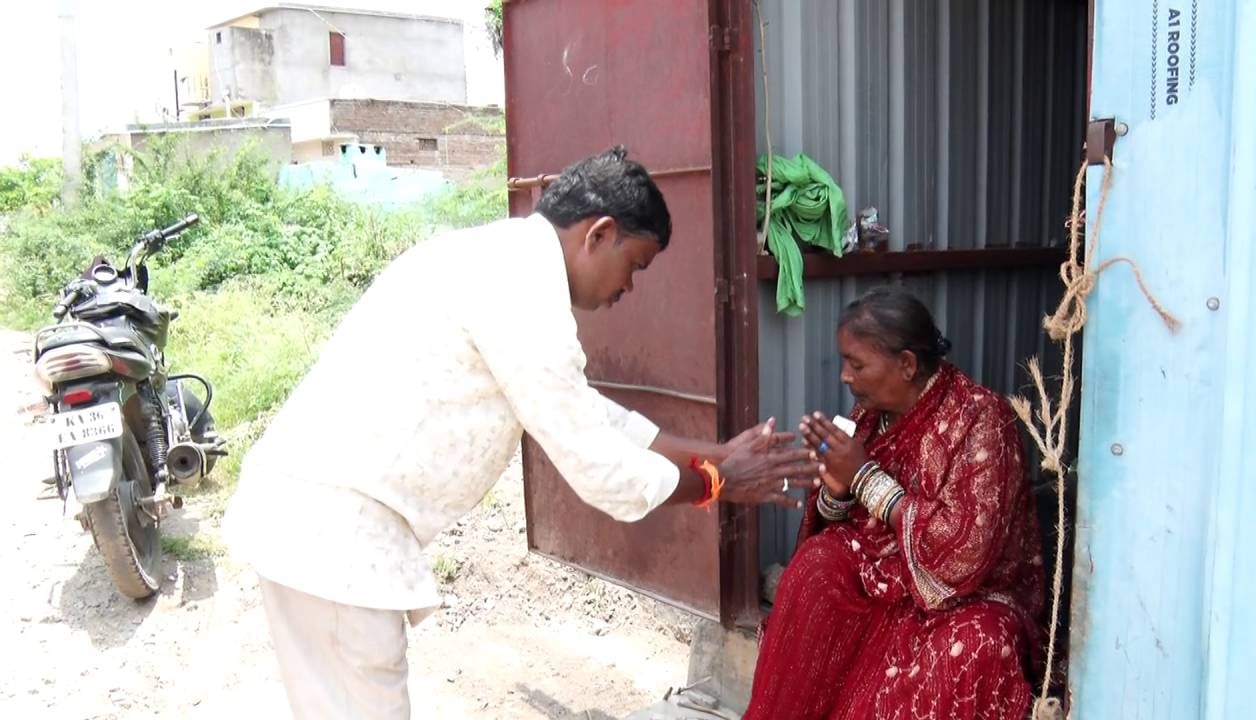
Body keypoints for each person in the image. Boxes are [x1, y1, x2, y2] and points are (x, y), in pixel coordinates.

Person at [222, 147, 820, 720]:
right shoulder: (522, 290)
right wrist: (719, 481)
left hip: (319, 526)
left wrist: (716, 455)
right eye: (634, 266)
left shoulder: (502, 260)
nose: (628, 289)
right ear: (599, 234)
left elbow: (587, 415)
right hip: (335, 540)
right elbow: (600, 469)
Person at [744, 287, 1045, 720]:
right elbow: (839, 520)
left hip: (970, 592)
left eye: (857, 364)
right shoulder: (868, 415)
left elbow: (963, 554)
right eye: (845, 362)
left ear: (906, 365)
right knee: (816, 564)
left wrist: (865, 479)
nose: (845, 377)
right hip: (884, 571)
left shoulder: (982, 419)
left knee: (976, 645)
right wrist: (835, 491)